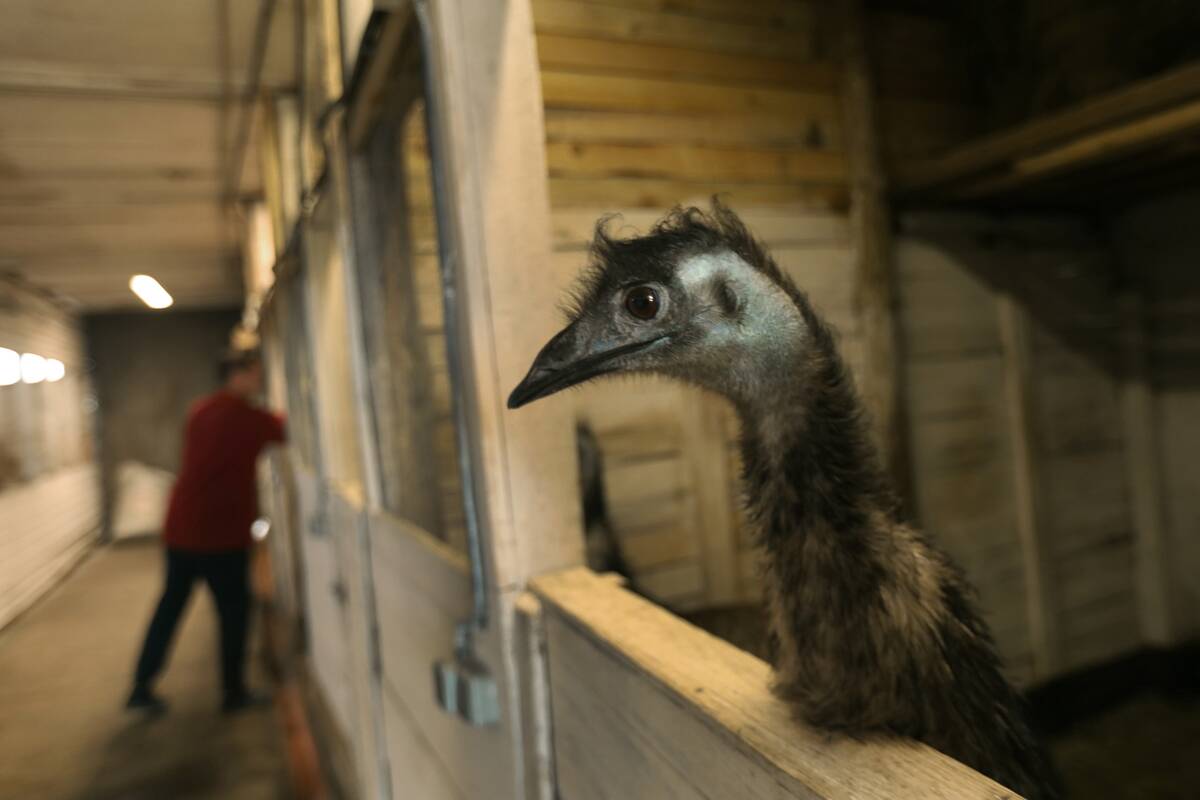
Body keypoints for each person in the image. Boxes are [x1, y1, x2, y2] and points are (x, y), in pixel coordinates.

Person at [127, 349, 285, 714]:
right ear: (238, 375)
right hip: (219, 536)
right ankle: (233, 692)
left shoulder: (201, 410)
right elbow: (285, 429)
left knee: (170, 608)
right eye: (256, 373)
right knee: (234, 613)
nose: (260, 380)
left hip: (182, 531)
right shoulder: (243, 416)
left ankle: (141, 687)